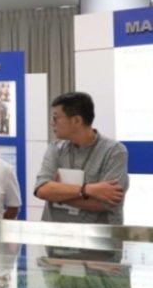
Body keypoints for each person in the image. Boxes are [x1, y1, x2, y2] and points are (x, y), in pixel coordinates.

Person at [34, 92, 128, 225]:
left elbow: (107, 201)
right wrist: (87, 190)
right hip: (55, 233)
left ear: (76, 120)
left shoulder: (114, 151)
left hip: (97, 236)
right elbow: (42, 190)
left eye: (56, 118)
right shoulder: (55, 148)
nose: (51, 123)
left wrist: (57, 195)